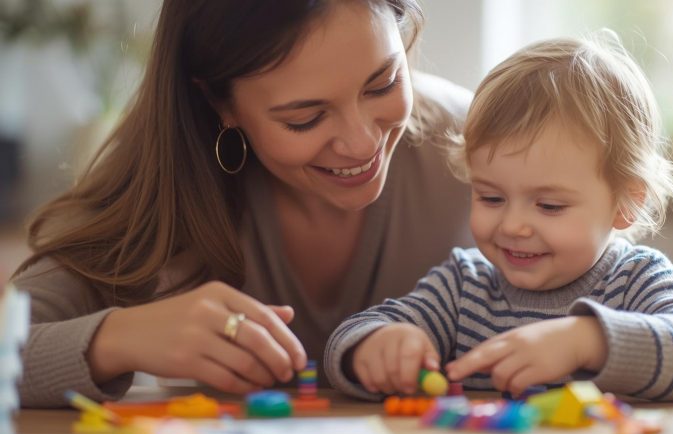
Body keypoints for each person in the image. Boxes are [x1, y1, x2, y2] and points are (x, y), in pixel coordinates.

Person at [11, 0, 474, 407]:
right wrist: (116, 339)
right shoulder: (162, 192)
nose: (361, 143)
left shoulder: (478, 146)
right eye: (305, 118)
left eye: (384, 83)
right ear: (217, 101)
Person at [325, 31, 673, 401]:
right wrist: (378, 345)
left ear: (626, 204)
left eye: (549, 206)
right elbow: (349, 337)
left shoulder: (635, 282)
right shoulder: (464, 287)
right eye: (491, 198)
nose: (513, 226)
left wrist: (587, 339)